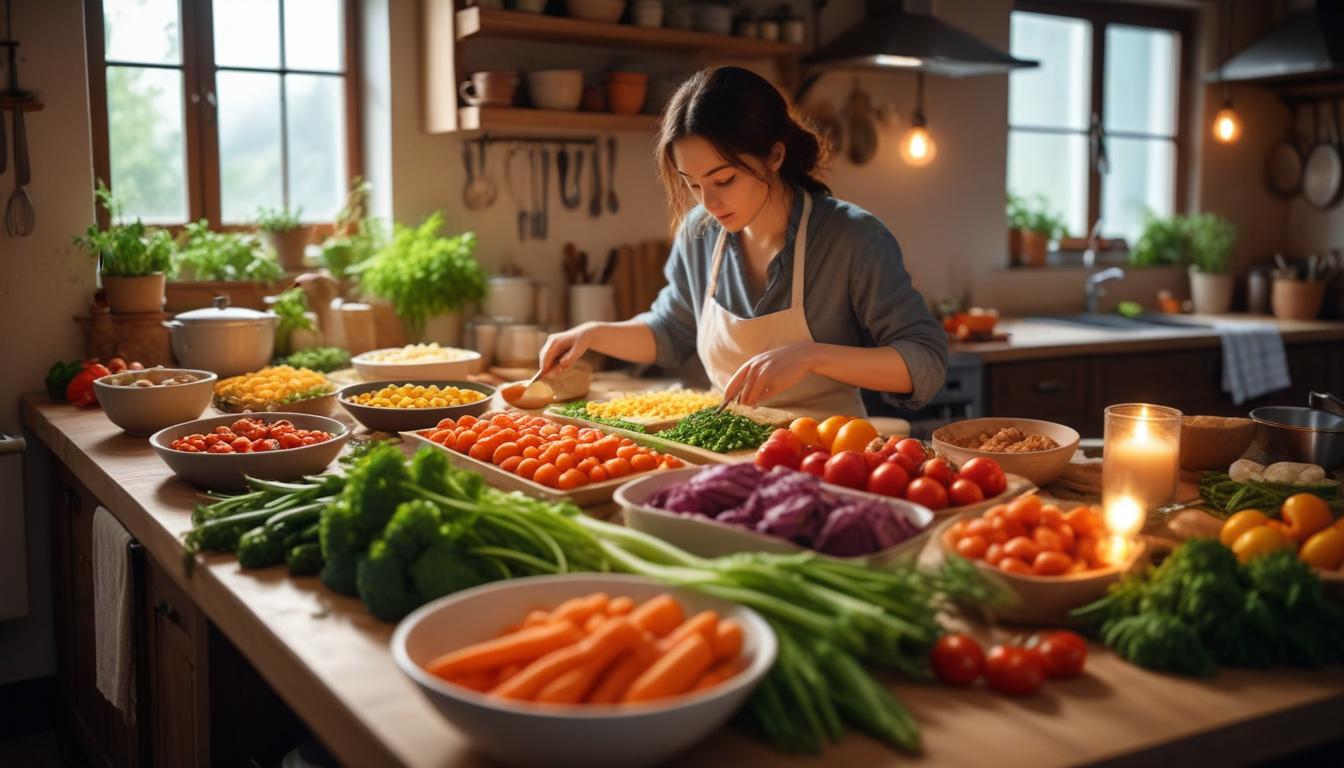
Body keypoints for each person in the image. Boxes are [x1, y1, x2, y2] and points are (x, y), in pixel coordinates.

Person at [539, 66, 947, 418]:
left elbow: (925, 361)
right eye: (693, 184)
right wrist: (593, 334)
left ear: (774, 156)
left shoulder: (854, 238)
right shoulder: (699, 233)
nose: (709, 203)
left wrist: (812, 355)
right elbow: (670, 331)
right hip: (730, 450)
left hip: (827, 453)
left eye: (724, 180)